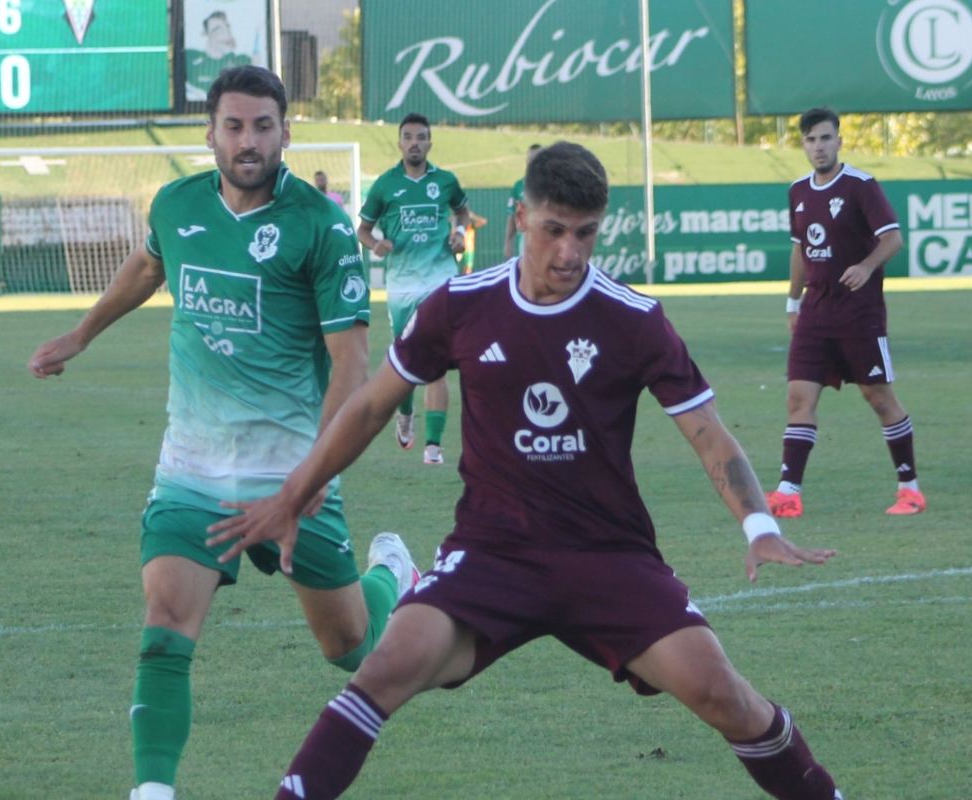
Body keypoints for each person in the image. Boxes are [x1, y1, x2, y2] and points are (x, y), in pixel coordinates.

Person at [209, 142, 844, 800]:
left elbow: (708, 433)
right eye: (552, 230)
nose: (568, 252)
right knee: (385, 666)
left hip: (606, 555)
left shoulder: (633, 320)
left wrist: (758, 525)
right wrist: (293, 493)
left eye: (585, 233)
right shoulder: (459, 306)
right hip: (491, 554)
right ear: (518, 218)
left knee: (723, 695)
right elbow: (370, 407)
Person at [27, 66, 418, 800]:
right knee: (165, 622)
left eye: (262, 126)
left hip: (290, 473)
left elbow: (351, 361)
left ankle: (392, 572)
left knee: (347, 647)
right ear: (209, 133)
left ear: (285, 133)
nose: (247, 141)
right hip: (192, 468)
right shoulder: (177, 204)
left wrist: (311, 479)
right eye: (233, 126)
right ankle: (152, 790)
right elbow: (148, 267)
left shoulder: (322, 225)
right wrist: (83, 334)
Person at [765, 107, 925, 518]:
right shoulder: (798, 191)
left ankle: (909, 488)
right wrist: (793, 302)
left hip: (859, 313)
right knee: (798, 398)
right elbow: (800, 250)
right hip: (816, 312)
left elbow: (893, 239)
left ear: (839, 140)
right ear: (803, 145)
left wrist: (867, 266)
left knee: (878, 397)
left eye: (825, 138)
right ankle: (788, 493)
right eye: (810, 140)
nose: (818, 147)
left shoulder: (860, 186)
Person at [357, 112, 470, 465]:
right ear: (400, 143)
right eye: (409, 137)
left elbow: (463, 213)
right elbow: (363, 229)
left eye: (421, 137)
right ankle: (405, 417)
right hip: (402, 284)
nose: (415, 143)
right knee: (407, 360)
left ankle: (433, 447)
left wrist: (459, 234)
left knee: (437, 359)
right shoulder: (385, 185)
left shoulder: (446, 181)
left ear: (430, 142)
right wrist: (375, 245)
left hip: (440, 279)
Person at [185, 11, 252, 102]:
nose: (226, 34)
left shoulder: (242, 62)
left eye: (227, 27)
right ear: (205, 34)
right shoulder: (190, 59)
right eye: (218, 30)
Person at [503, 143, 542, 261]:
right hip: (527, 240)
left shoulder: (554, 186)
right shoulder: (519, 187)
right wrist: (508, 242)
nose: (533, 164)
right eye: (530, 160)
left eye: (537, 160)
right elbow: (512, 216)